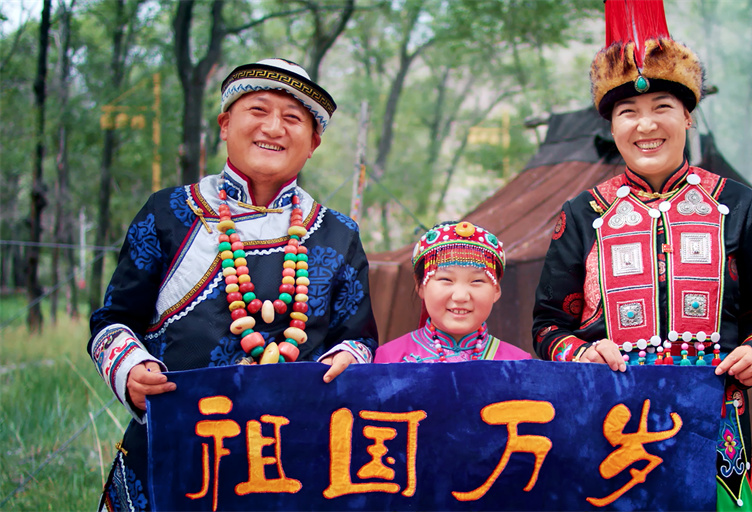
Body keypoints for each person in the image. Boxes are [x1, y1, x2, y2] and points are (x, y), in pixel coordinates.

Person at [87, 58, 378, 511]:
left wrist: (348, 360)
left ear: (313, 143)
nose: (274, 128)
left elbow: (358, 338)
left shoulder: (338, 233)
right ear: (225, 125)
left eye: (293, 118)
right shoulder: (169, 213)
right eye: (258, 110)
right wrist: (130, 370)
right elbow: (112, 321)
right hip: (177, 449)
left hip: (292, 457)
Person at [531, 2, 752, 510]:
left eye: (662, 107)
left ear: (688, 115)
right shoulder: (582, 214)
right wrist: (582, 353)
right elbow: (546, 328)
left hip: (716, 424)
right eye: (628, 112)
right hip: (614, 427)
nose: (645, 125)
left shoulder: (737, 204)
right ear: (612, 126)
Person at [374, 221, 531, 363]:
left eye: (477, 281)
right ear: (420, 286)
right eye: (446, 279)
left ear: (496, 289)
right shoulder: (390, 359)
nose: (461, 296)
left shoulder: (519, 363)